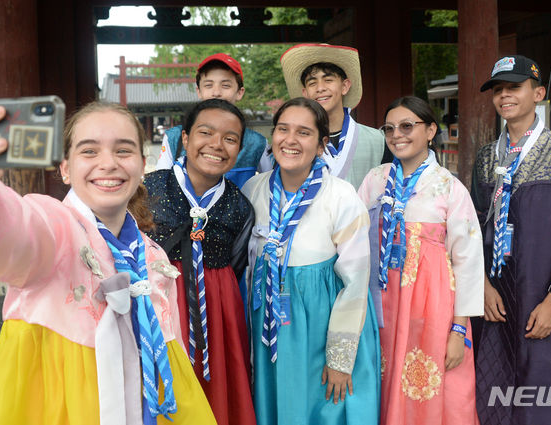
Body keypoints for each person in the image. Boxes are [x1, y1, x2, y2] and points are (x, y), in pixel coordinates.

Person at [0, 88, 216, 425]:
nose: (109, 163)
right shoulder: (54, 228)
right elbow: (8, 231)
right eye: (89, 150)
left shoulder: (154, 254)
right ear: (65, 168)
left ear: (142, 165)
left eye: (124, 150)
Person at [470, 55, 551, 425]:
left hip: (542, 289)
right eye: (498, 90)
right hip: (495, 294)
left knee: (546, 388)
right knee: (493, 387)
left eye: (514, 87)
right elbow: (472, 229)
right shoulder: (485, 158)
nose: (504, 96)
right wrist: (481, 286)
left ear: (538, 92)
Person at [242, 97, 380, 425]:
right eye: (283, 129)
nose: (290, 140)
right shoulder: (253, 190)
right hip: (270, 326)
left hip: (323, 323)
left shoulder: (342, 196)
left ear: (321, 146)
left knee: (326, 409)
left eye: (303, 133)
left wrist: (340, 359)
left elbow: (356, 282)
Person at [357, 96, 484, 425]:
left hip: (431, 306)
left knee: (432, 384)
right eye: (390, 128)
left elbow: (468, 263)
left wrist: (459, 330)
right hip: (380, 304)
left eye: (407, 126)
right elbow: (353, 241)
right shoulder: (375, 179)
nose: (397, 134)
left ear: (430, 131)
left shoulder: (449, 187)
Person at [143, 98, 256, 425]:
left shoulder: (240, 205)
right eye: (205, 133)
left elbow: (237, 264)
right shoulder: (147, 190)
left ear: (239, 148)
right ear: (186, 139)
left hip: (219, 313)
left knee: (218, 393)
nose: (217, 145)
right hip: (160, 305)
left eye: (230, 138)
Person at [260, 43, 384, 189]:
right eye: (312, 83)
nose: (320, 88)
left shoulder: (378, 140)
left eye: (328, 80)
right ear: (305, 93)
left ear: (345, 86)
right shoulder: (292, 143)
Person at [155, 53, 268, 188]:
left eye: (225, 85)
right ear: (199, 91)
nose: (216, 93)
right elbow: (159, 187)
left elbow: (273, 185)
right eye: (208, 85)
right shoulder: (174, 137)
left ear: (239, 92)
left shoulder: (257, 142)